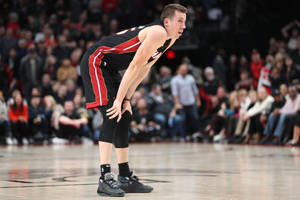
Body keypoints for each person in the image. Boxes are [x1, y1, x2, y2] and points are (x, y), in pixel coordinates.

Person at [79, 3, 187, 197]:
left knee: (125, 116)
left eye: (185, 22)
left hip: (110, 68)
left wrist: (127, 98)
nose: (183, 26)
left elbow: (145, 68)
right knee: (112, 114)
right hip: (95, 61)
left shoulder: (169, 39)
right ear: (166, 22)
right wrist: (119, 100)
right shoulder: (158, 33)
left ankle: (124, 176)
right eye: (180, 21)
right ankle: (104, 178)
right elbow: (134, 67)